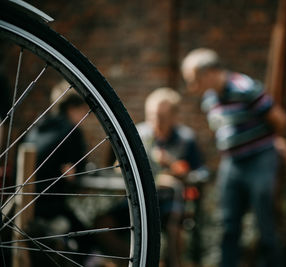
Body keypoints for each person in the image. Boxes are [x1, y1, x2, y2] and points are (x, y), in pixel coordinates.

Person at [181, 48, 286, 267]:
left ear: (211, 72)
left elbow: (280, 119)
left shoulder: (246, 89)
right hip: (231, 163)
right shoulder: (210, 99)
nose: (192, 88)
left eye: (194, 80)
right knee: (228, 225)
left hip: (260, 159)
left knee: (264, 224)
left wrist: (273, 143)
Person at [95, 87, 207, 267]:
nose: (156, 121)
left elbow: (201, 173)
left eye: (161, 117)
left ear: (174, 116)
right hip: (137, 201)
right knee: (102, 225)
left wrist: (174, 167)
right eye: (152, 115)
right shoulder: (138, 134)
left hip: (170, 203)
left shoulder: (186, 138)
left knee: (176, 229)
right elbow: (116, 168)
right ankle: (144, 261)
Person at [24, 81, 88, 239]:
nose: (86, 116)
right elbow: (73, 174)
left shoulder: (37, 126)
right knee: (88, 232)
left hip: (24, 205)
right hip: (49, 209)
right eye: (85, 111)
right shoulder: (72, 132)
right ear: (73, 108)